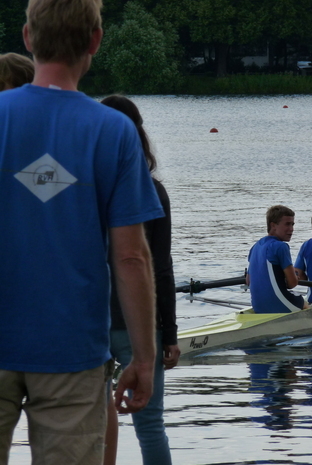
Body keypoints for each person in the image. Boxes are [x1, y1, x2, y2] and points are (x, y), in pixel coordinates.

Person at [0, 1, 163, 464]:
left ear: (28, 38)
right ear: (95, 41)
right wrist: (143, 360)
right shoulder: (113, 131)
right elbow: (131, 258)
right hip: (72, 353)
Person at [101, 95, 180, 465]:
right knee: (150, 427)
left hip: (92, 322)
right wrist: (171, 335)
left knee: (93, 423)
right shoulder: (153, 191)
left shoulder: (84, 190)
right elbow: (160, 268)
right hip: (142, 327)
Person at [246, 205, 306, 313]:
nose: (291, 229)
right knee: (306, 303)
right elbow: (292, 283)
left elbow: (248, 281)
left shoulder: (255, 247)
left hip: (258, 307)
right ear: (273, 225)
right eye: (287, 224)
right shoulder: (281, 246)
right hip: (282, 305)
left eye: (292, 224)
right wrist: (294, 277)